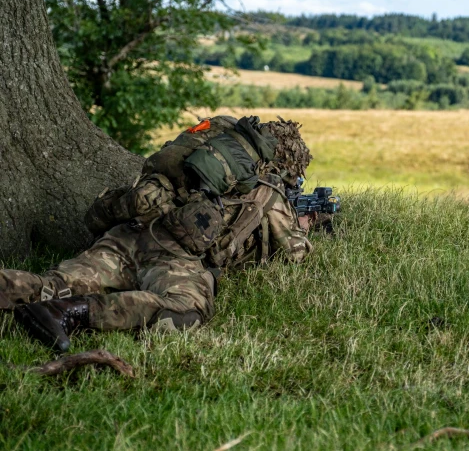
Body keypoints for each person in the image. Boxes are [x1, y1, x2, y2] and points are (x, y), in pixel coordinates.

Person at [0, 116, 317, 352]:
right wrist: (304, 226)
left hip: (128, 231)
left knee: (55, 284)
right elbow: (294, 254)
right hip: (172, 258)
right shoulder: (269, 188)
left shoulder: (210, 143)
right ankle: (77, 312)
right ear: (286, 167)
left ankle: (42, 298)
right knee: (188, 308)